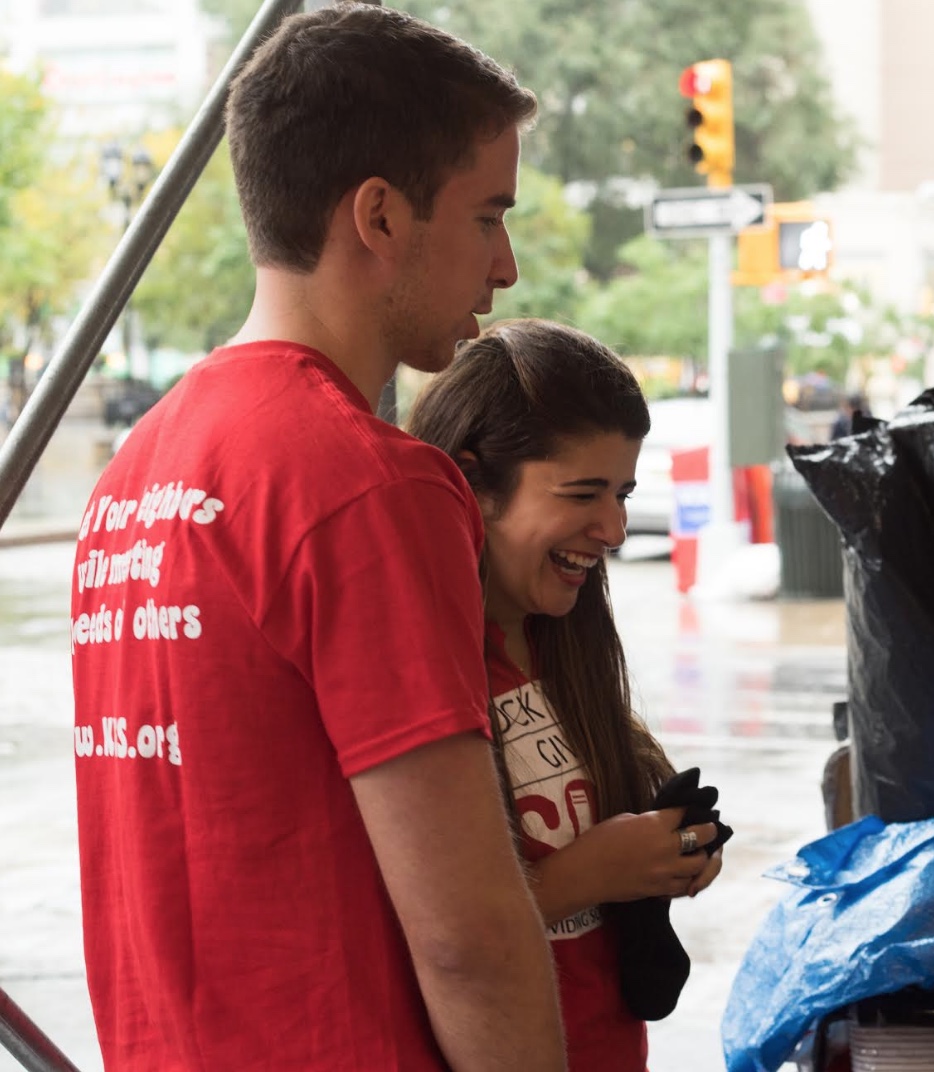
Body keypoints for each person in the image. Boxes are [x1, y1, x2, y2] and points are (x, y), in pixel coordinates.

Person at [68, 7, 565, 1070]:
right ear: (380, 215)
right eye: (488, 216)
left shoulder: (135, 474)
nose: (508, 266)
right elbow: (467, 934)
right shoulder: (365, 481)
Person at [408, 319, 726, 1070]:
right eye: (584, 493)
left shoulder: (566, 641)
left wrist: (665, 853)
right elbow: (416, 930)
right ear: (471, 483)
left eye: (622, 493)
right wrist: (595, 870)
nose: (614, 529)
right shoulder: (420, 664)